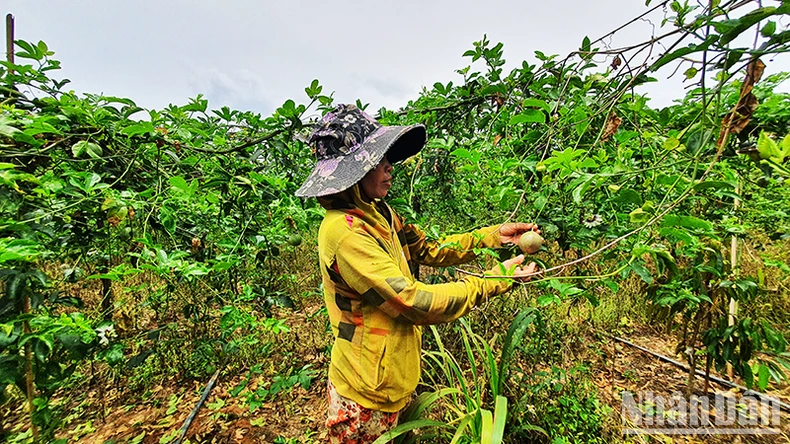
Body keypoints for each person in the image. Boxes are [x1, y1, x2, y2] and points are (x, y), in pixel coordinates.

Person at [295, 104, 538, 443]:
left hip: (390, 375)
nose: (389, 166)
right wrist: (494, 280)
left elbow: (430, 248)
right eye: (377, 160)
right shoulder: (345, 233)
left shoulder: (379, 213)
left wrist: (493, 237)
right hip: (365, 392)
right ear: (353, 172)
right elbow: (413, 301)